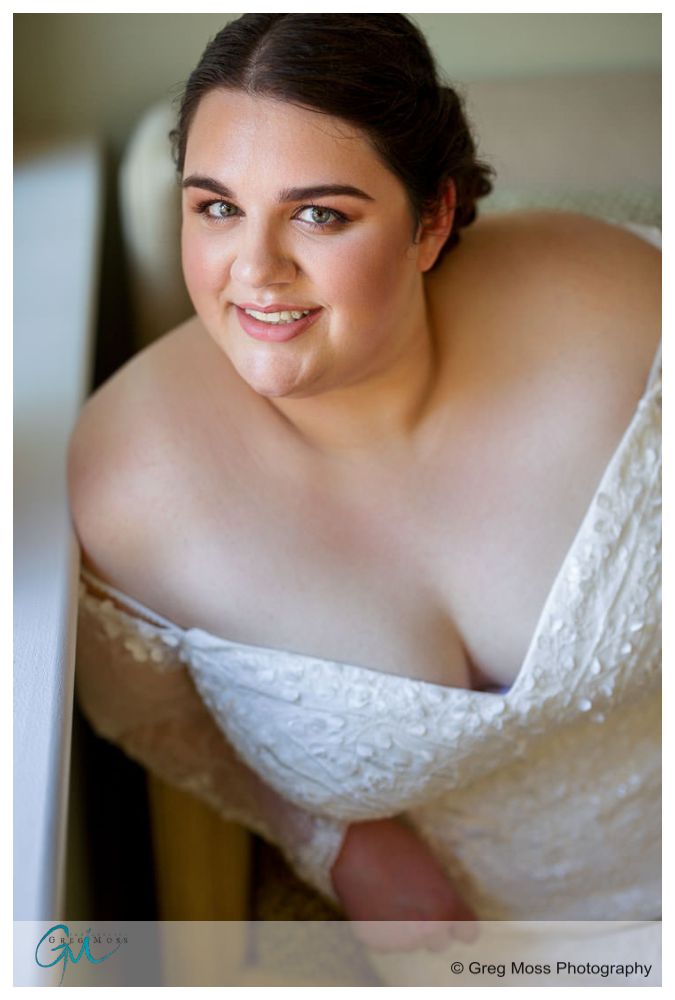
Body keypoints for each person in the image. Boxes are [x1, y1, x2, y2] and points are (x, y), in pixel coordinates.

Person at [68, 12, 661, 973]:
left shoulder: (619, 306)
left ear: (430, 219)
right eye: (216, 207)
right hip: (469, 949)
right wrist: (339, 841)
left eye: (319, 214)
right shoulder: (126, 489)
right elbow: (157, 718)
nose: (253, 271)